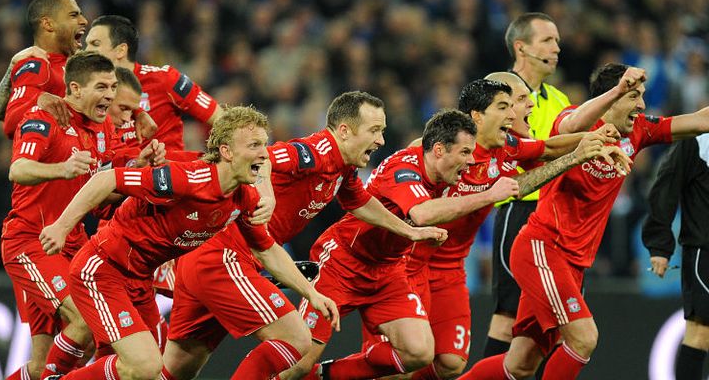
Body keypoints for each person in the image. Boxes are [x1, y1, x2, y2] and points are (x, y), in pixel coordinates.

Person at [160, 91, 447, 380]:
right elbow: (263, 157)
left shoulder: (343, 168)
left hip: (213, 255)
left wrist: (408, 230)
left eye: (382, 131)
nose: (381, 141)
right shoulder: (317, 151)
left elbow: (360, 202)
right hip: (225, 256)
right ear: (345, 131)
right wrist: (267, 194)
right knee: (295, 340)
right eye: (374, 130)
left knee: (178, 365)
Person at [38, 106, 339, 380]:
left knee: (152, 375)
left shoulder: (242, 198)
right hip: (103, 270)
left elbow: (267, 249)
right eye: (254, 146)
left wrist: (311, 293)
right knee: (145, 367)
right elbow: (106, 181)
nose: (264, 154)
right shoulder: (188, 180)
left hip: (139, 280)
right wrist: (62, 226)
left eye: (264, 144)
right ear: (227, 151)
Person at [459, 64, 709, 380]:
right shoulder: (570, 118)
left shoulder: (639, 130)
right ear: (612, 96)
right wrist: (619, 89)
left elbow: (699, 120)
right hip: (543, 248)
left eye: (641, 96)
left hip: (574, 263)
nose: (641, 105)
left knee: (521, 363)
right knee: (584, 337)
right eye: (634, 96)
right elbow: (570, 126)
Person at [393, 79, 625, 380]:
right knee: (408, 358)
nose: (520, 110)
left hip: (451, 270)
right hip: (409, 265)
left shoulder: (506, 150)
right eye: (507, 105)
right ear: (478, 116)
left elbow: (548, 148)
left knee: (451, 363)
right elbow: (419, 211)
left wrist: (591, 141)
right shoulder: (436, 150)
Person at [282, 108, 526, 380]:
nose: (470, 162)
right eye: (465, 153)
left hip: (387, 271)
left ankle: (325, 375)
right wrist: (491, 195)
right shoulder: (403, 167)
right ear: (439, 150)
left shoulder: (442, 175)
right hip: (343, 263)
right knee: (297, 362)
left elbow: (538, 151)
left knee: (418, 353)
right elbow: (421, 213)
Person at [1, 52, 165, 380]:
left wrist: (138, 166)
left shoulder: (100, 127)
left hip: (72, 243)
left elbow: (101, 189)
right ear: (75, 89)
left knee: (41, 363)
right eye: (101, 87)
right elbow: (17, 169)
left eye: (113, 86)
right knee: (86, 322)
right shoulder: (44, 118)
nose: (109, 94)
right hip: (32, 242)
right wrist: (62, 168)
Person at [483, 12, 573, 359]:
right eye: (548, 40)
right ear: (521, 47)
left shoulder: (560, 100)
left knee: (547, 319)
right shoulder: (495, 95)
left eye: (558, 41)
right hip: (517, 209)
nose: (557, 48)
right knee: (507, 316)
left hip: (554, 214)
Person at [0, 0, 156, 142]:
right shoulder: (38, 65)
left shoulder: (80, 63)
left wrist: (138, 112)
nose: (84, 21)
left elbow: (113, 94)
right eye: (73, 15)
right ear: (48, 24)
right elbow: (8, 121)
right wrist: (37, 98)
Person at [84, 14, 223, 150]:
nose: (86, 51)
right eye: (87, 44)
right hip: (119, 170)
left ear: (121, 50)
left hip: (168, 171)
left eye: (95, 44)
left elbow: (219, 117)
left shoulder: (164, 79)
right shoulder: (89, 94)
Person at [642, 135, 709, 380]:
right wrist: (659, 245)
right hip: (704, 252)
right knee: (701, 333)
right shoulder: (698, 142)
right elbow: (666, 186)